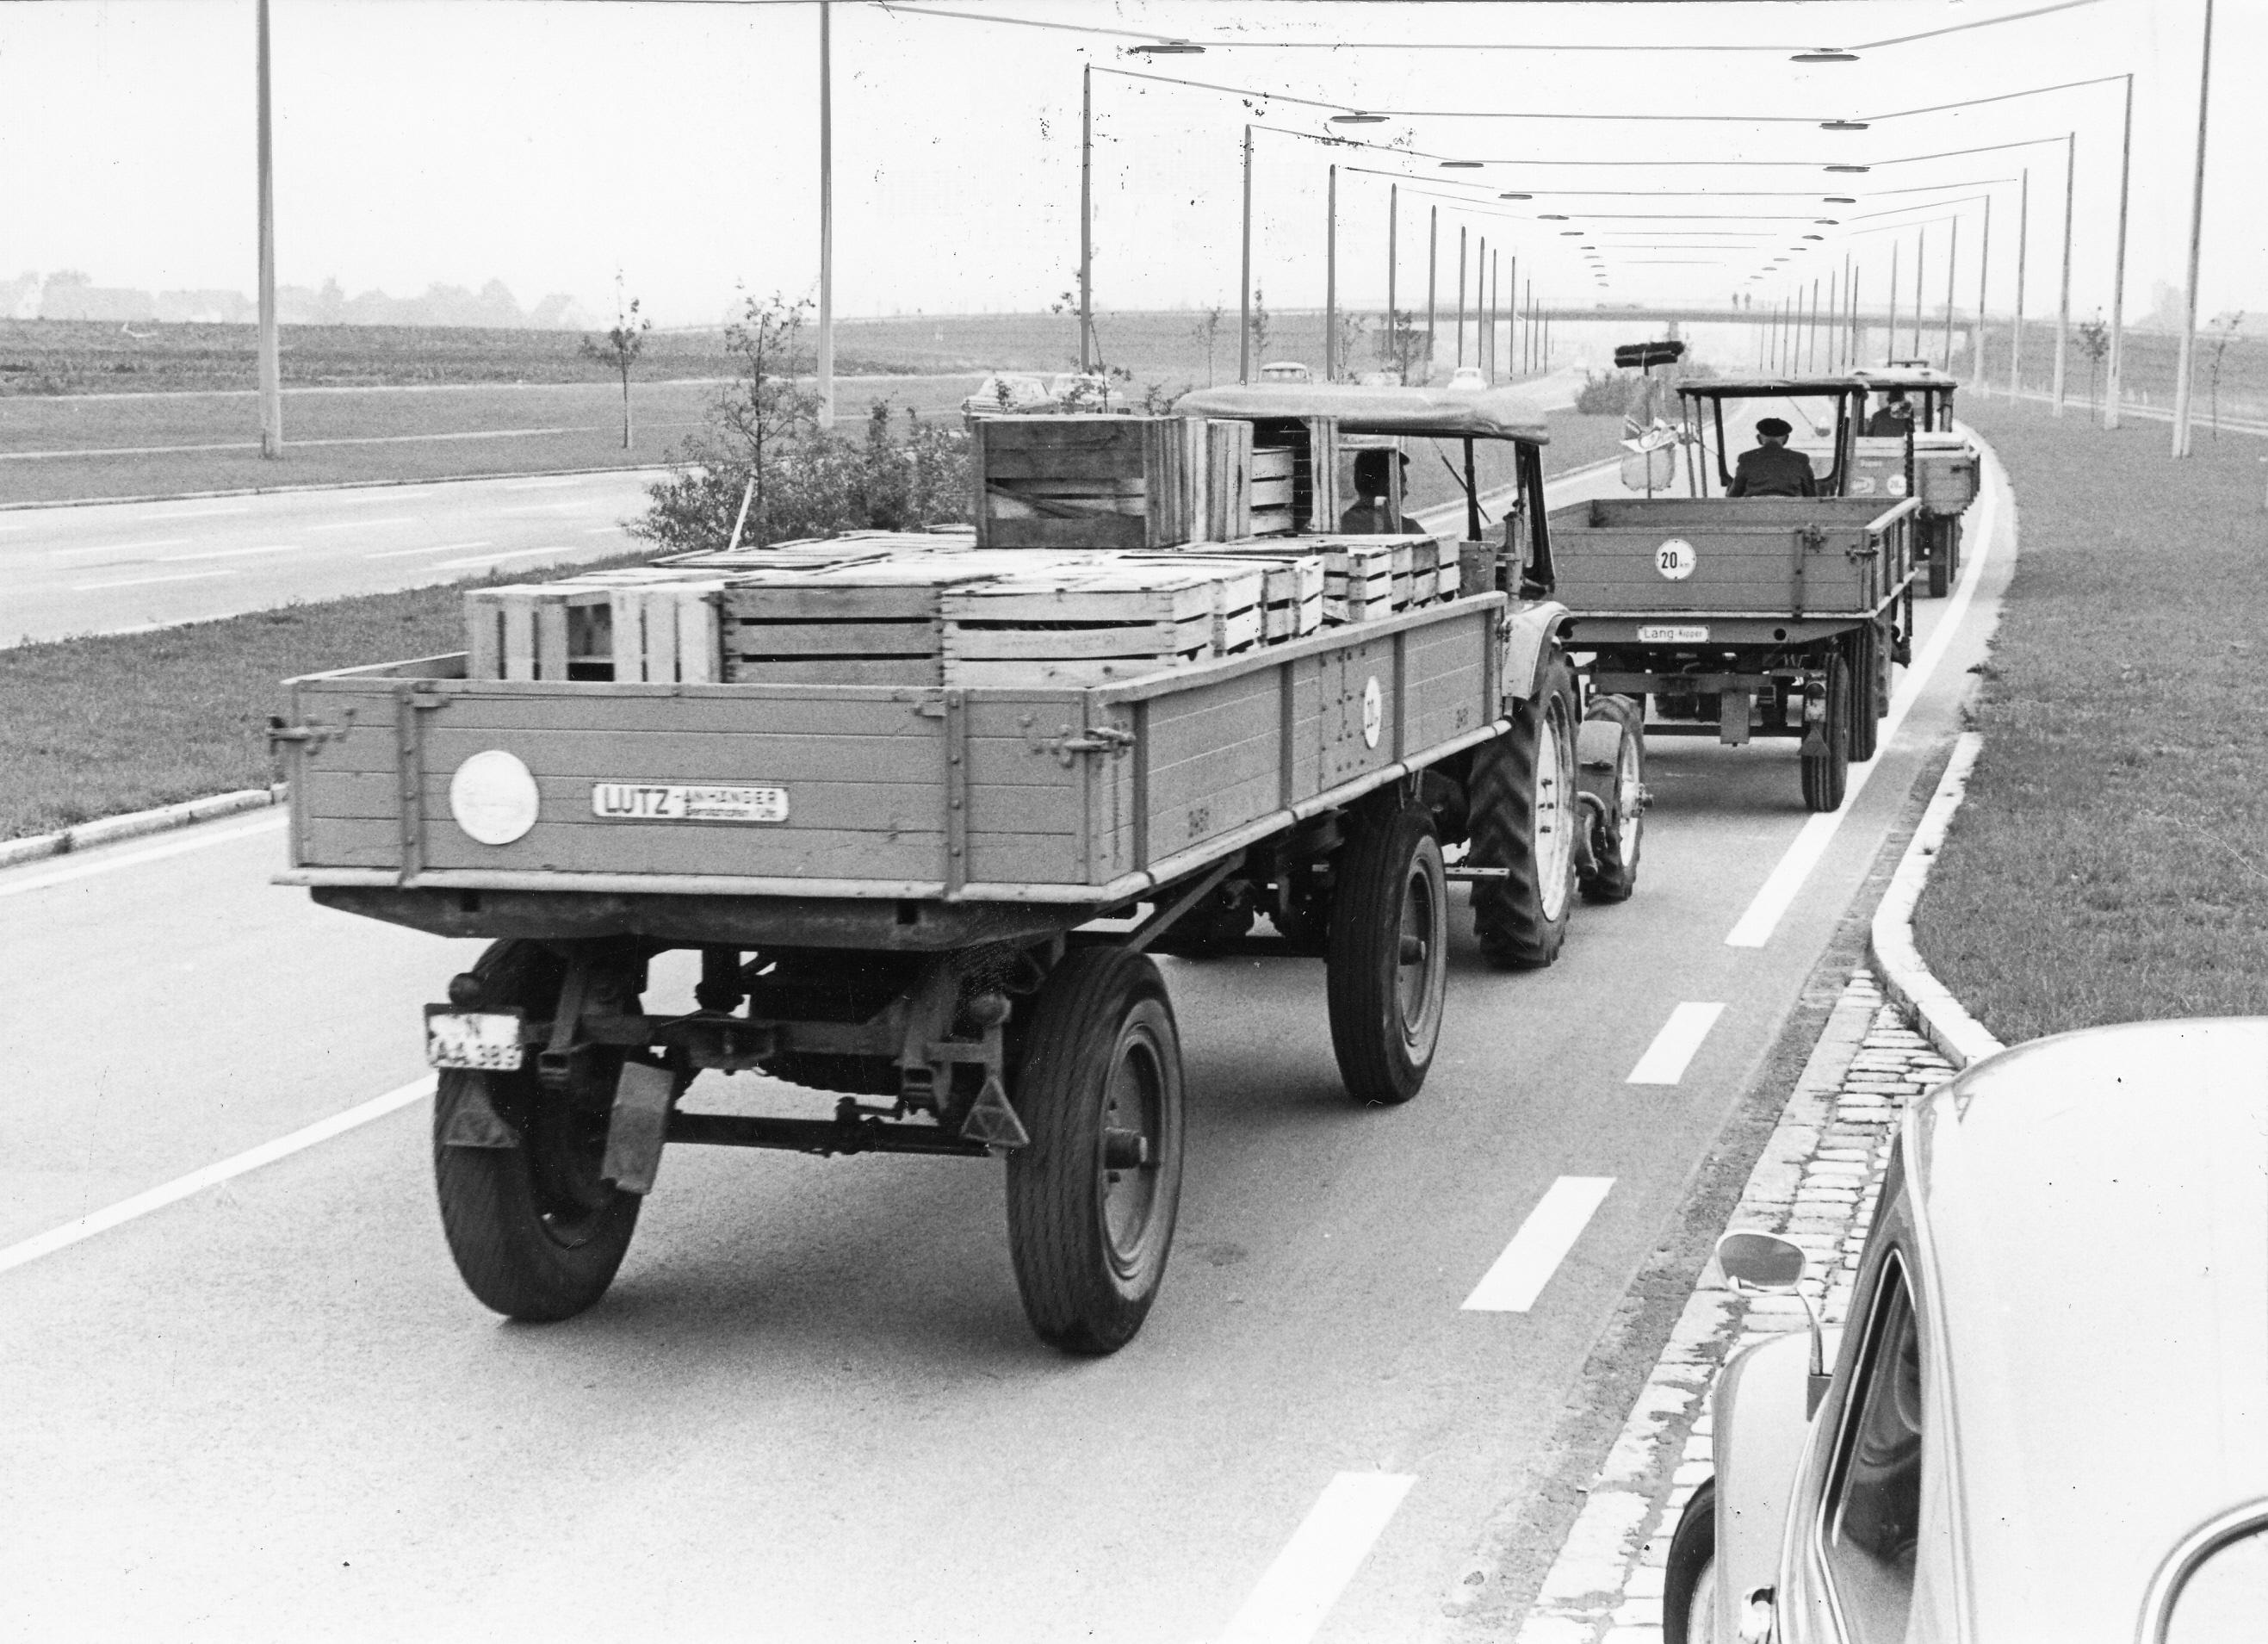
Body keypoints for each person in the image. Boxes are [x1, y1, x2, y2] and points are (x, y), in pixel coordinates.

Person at [1729, 417, 1818, 498]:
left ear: (1758, 438)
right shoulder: (1800, 460)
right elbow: (1811, 495)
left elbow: (1734, 495)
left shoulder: (1746, 459)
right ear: (1786, 439)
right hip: (1791, 508)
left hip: (1754, 508)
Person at [1338, 448, 1406, 533]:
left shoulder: (1341, 525)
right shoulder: (1408, 530)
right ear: (1387, 485)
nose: (1405, 492)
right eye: (1402, 484)